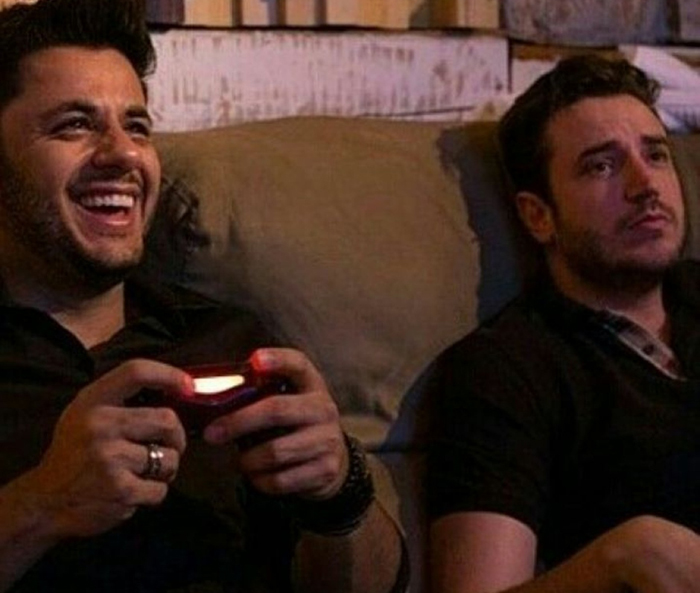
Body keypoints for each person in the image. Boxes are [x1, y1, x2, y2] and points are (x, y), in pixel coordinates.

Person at [0, 0, 407, 591]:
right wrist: (40, 504)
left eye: (137, 127)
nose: (123, 154)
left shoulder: (232, 342)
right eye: (74, 125)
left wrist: (340, 491)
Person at [427, 53, 700, 593]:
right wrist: (624, 556)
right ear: (538, 215)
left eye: (656, 154)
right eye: (602, 166)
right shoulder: (507, 370)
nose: (645, 184)